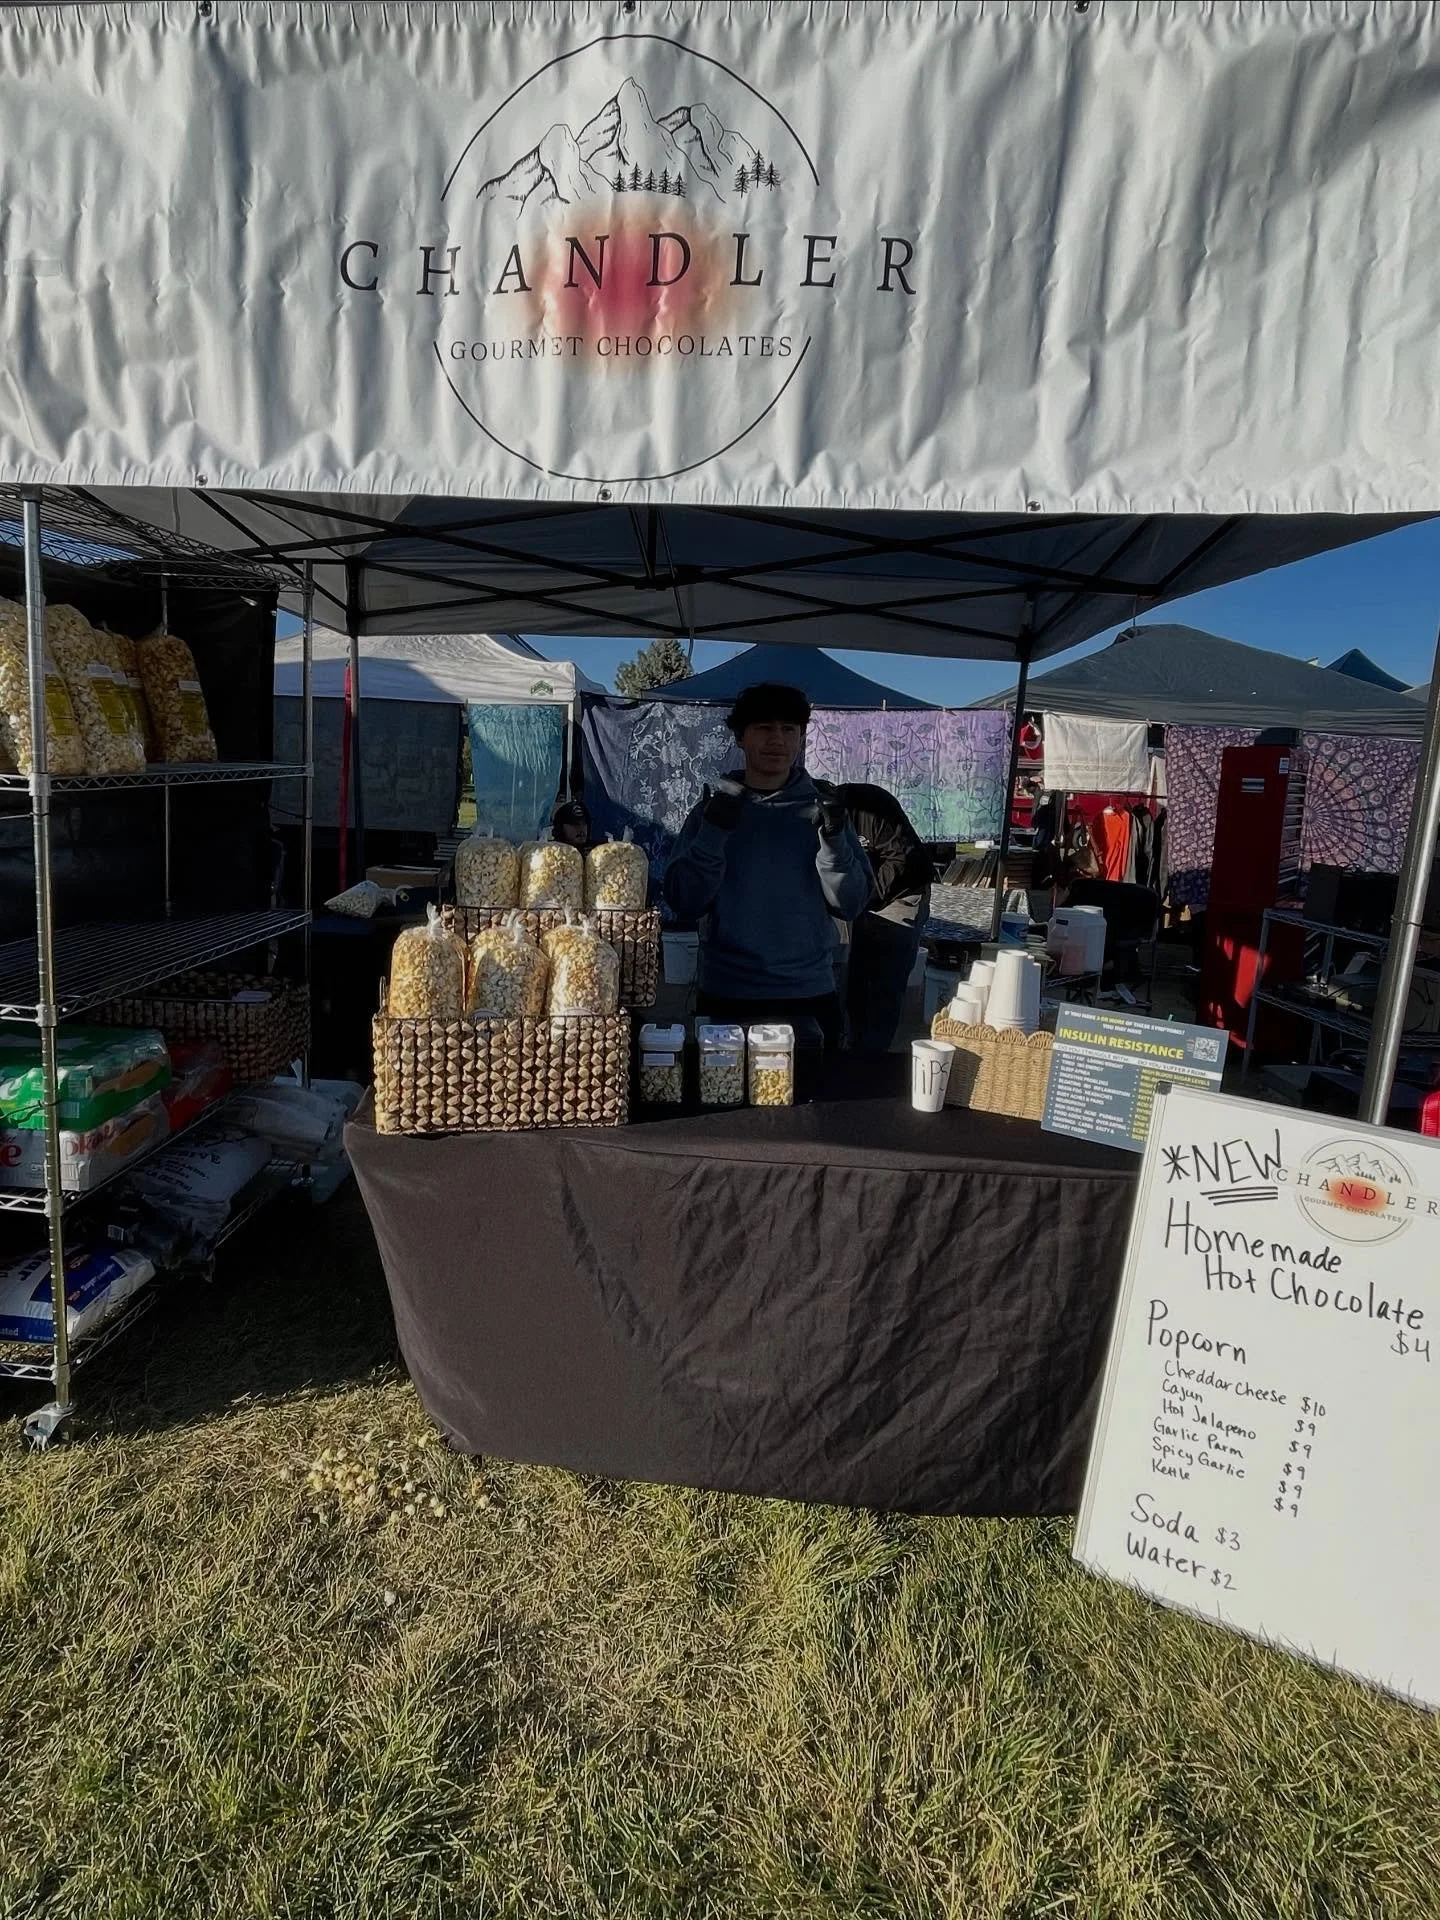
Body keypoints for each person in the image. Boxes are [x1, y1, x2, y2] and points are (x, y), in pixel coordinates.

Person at [664, 684, 873, 1049]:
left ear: (801, 737)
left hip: (808, 992)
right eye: (763, 727)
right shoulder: (710, 811)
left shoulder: (824, 809)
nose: (777, 739)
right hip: (727, 994)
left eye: (789, 729)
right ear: (740, 737)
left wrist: (835, 842)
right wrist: (712, 835)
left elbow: (851, 904)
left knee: (817, 1105)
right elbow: (684, 903)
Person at [837, 783, 933, 1053]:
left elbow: (903, 861)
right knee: (853, 983)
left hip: (902, 894)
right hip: (863, 895)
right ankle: (853, 1050)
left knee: (882, 988)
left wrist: (857, 896)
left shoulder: (869, 807)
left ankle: (871, 1064)